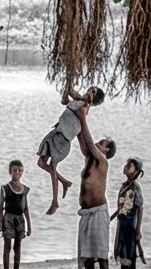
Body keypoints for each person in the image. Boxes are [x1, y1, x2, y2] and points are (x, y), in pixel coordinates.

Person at [37, 84, 106, 215]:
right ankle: (64, 182)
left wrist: (75, 99)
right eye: (88, 89)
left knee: (52, 167)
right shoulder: (80, 101)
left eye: (91, 92)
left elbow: (76, 107)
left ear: (92, 98)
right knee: (41, 163)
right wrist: (68, 80)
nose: (87, 92)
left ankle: (55, 202)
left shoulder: (83, 107)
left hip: (62, 140)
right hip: (56, 133)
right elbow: (68, 92)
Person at [74, 103, 116, 269]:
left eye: (102, 143)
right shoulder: (89, 158)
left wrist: (83, 118)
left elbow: (89, 143)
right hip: (86, 212)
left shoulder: (102, 161)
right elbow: (84, 142)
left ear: (106, 150)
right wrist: (76, 123)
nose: (98, 143)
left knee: (100, 252)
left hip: (98, 211)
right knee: (87, 253)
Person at [111, 157, 145, 269]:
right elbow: (122, 207)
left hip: (130, 224)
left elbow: (140, 208)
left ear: (136, 171)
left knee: (130, 255)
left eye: (129, 166)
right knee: (123, 254)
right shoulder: (125, 185)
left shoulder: (135, 187)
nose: (125, 167)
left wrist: (138, 228)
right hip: (123, 223)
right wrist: (112, 218)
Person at [0, 159, 32, 269]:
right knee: (7, 246)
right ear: (10, 171)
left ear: (23, 172)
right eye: (15, 170)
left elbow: (26, 208)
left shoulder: (25, 189)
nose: (18, 173)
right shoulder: (5, 188)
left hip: (20, 219)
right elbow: (1, 207)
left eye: (20, 170)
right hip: (8, 218)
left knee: (18, 247)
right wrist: (0, 225)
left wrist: (29, 225)